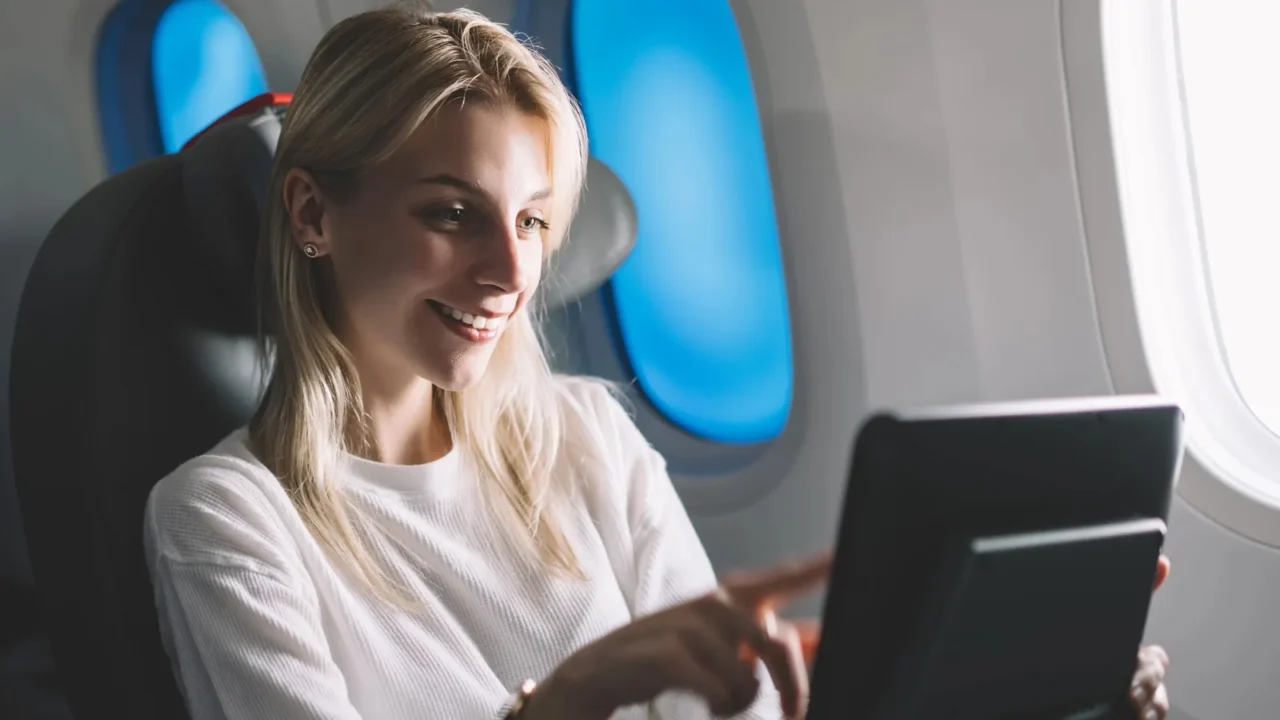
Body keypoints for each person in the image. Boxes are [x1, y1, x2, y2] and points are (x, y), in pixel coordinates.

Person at [141, 6, 1173, 720]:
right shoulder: (226, 518)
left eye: (535, 221)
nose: (509, 270)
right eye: (450, 214)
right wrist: (570, 698)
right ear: (313, 212)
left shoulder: (586, 433)